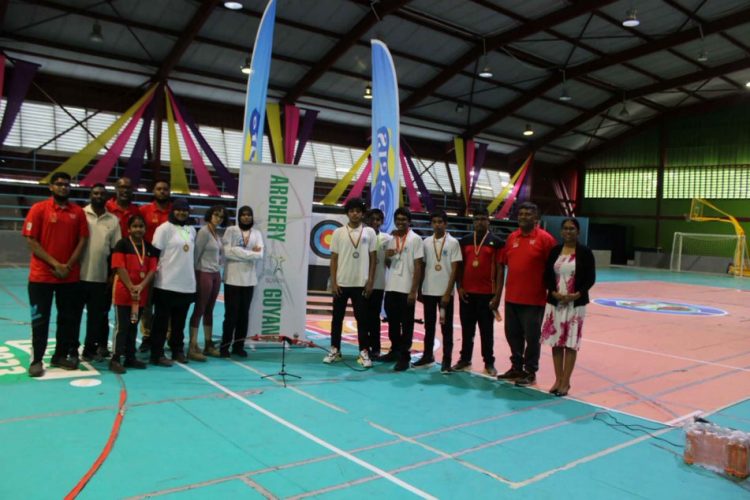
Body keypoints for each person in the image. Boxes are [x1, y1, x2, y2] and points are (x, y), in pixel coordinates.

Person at [22, 172, 89, 377]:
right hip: (41, 277)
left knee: (66, 319)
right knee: (40, 320)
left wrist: (67, 265)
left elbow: (82, 240)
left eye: (66, 184)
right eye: (59, 184)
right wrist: (55, 264)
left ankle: (59, 355)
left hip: (68, 277)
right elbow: (31, 241)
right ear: (51, 187)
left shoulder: (78, 212)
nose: (63, 187)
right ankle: (36, 360)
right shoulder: (38, 209)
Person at [495, 201, 557, 387]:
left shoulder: (546, 240)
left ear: (536, 218)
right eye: (521, 214)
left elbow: (554, 268)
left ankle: (530, 371)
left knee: (532, 338)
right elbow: (503, 264)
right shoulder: (512, 238)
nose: (523, 217)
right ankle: (516, 367)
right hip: (512, 297)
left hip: (534, 299)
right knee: (512, 335)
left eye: (528, 214)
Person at [541, 218, 596, 396]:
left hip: (575, 304)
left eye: (572, 229)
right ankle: (558, 379)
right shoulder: (555, 251)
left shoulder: (585, 253)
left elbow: (590, 278)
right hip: (555, 303)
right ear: (561, 231)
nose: (568, 232)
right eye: (565, 228)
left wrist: (577, 294)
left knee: (570, 343)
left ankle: (566, 381)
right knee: (556, 342)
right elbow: (547, 275)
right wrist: (553, 292)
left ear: (578, 232)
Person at [324, 198, 376, 367]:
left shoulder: (370, 233)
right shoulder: (338, 232)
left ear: (362, 214)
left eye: (358, 211)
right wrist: (334, 281)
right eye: (351, 211)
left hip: (361, 283)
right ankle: (335, 350)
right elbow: (334, 259)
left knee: (362, 320)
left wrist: (370, 282)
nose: (355, 213)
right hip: (341, 283)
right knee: (336, 319)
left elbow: (373, 259)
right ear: (347, 213)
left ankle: (363, 352)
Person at [74, 183, 121, 362]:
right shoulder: (81, 214)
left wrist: (112, 275)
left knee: (95, 320)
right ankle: (72, 348)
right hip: (78, 277)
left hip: (100, 279)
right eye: (95, 193)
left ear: (107, 197)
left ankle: (89, 349)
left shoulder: (113, 220)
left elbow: (116, 250)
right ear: (90, 195)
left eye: (102, 193)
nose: (98, 196)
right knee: (74, 317)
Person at [454, 208, 503, 376]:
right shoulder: (465, 241)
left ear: (488, 221)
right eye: (477, 219)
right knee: (467, 329)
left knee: (486, 330)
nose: (480, 222)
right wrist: (459, 287)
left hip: (487, 294)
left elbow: (499, 269)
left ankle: (489, 362)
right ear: (473, 221)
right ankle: (465, 359)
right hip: (467, 293)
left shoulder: (496, 242)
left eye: (483, 219)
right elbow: (459, 266)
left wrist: (497, 295)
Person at [149, 198, 196, 366]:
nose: (182, 213)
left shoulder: (191, 230)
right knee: (161, 322)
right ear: (172, 211)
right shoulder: (164, 229)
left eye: (185, 210)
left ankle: (177, 350)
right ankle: (157, 353)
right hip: (165, 284)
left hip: (186, 285)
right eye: (178, 209)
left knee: (179, 323)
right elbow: (154, 255)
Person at [110, 214, 158, 373]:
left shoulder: (149, 247)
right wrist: (131, 286)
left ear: (145, 228)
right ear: (129, 229)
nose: (138, 229)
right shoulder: (121, 244)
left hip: (140, 295)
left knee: (133, 326)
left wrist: (141, 286)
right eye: (135, 226)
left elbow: (152, 270)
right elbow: (119, 267)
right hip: (124, 293)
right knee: (121, 327)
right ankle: (115, 358)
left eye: (141, 226)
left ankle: (130, 357)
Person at [416, 210, 461, 372]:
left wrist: (448, 292)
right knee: (429, 326)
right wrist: (420, 289)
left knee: (446, 327)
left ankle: (447, 360)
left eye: (440, 222)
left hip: (444, 293)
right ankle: (428, 355)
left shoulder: (453, 243)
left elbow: (455, 270)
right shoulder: (426, 242)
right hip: (428, 291)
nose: (437, 224)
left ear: (445, 224)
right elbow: (422, 266)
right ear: (431, 224)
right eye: (434, 221)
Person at [382, 207, 423, 372]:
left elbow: (419, 266)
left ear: (409, 221)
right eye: (398, 220)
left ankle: (405, 356)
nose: (400, 222)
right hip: (392, 287)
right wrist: (387, 256)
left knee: (406, 324)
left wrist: (414, 291)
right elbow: (388, 264)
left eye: (403, 220)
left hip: (406, 288)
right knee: (392, 322)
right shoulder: (392, 238)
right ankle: (394, 351)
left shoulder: (415, 239)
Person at [221, 206, 263, 357]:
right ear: (239, 217)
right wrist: (251, 253)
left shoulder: (257, 234)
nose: (246, 217)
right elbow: (227, 252)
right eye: (243, 215)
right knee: (230, 316)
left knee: (243, 316)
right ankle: (224, 347)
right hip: (232, 280)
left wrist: (237, 252)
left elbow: (260, 255)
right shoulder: (231, 231)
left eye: (249, 215)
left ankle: (238, 346)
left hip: (249, 281)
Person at [188, 205, 226, 361]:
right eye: (216, 215)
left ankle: (208, 344)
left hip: (215, 274)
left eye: (221, 216)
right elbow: (196, 255)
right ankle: (192, 345)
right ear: (210, 215)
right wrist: (194, 276)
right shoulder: (203, 232)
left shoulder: (216, 234)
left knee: (209, 309)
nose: (218, 218)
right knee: (200, 308)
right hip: (203, 273)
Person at [138, 179, 172, 353]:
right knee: (147, 303)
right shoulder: (144, 210)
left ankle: (167, 335)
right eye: (159, 189)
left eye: (165, 189)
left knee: (167, 303)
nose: (162, 192)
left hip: (170, 265)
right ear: (153, 191)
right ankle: (147, 335)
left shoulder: (175, 211)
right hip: (148, 263)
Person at [363, 208, 390, 359]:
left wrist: (390, 258)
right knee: (363, 317)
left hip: (378, 284)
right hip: (362, 283)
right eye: (372, 219)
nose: (375, 222)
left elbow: (390, 262)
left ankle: (376, 348)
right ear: (367, 220)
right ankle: (364, 347)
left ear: (382, 222)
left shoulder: (387, 238)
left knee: (374, 317)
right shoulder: (362, 237)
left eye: (378, 219)